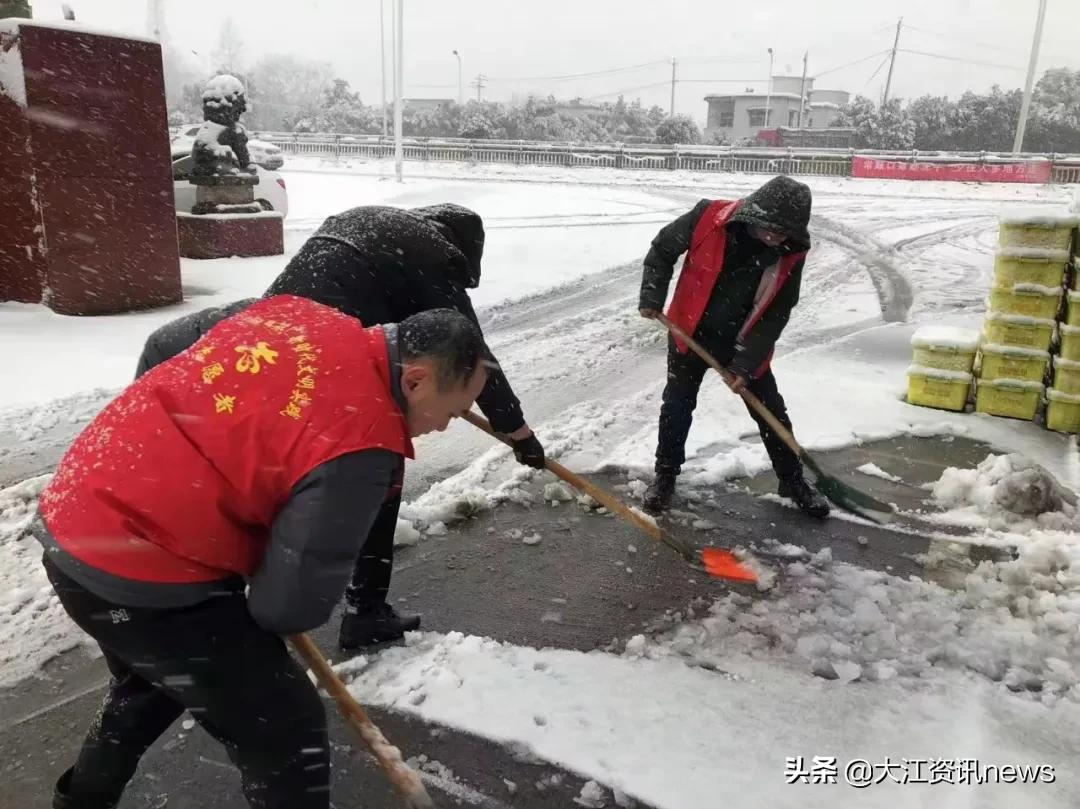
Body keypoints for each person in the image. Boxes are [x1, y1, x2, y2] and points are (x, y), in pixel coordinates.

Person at [35, 297, 488, 809]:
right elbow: (285, 608)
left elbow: (183, 346)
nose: (445, 427)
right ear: (416, 380)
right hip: (143, 562)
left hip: (76, 507)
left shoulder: (303, 314)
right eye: (451, 412)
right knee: (284, 727)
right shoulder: (360, 443)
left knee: (162, 677)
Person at [136, 203, 545, 649]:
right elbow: (473, 358)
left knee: (273, 464)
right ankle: (361, 612)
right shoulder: (433, 257)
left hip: (273, 339)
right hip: (338, 361)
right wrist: (518, 433)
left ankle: (249, 583)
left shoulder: (373, 227)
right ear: (463, 252)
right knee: (377, 470)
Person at [637, 175, 829, 518]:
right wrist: (652, 295)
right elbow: (662, 249)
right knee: (677, 406)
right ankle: (665, 476)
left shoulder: (790, 253)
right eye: (768, 227)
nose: (773, 237)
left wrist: (745, 364)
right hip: (689, 330)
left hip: (744, 340)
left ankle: (792, 479)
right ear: (753, 214)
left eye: (782, 232)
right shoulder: (708, 218)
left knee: (770, 409)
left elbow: (776, 313)